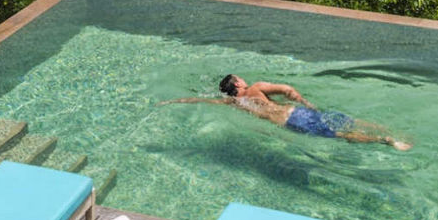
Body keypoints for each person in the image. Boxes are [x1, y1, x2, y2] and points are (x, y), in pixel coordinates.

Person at [165, 74, 411, 150]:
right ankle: (386, 135)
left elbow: (199, 100)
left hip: (292, 124)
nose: (244, 79)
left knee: (341, 134)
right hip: (298, 113)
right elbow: (287, 89)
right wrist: (305, 101)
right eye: (240, 78)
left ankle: (386, 141)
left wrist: (173, 101)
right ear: (238, 84)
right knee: (347, 124)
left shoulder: (234, 103)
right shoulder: (256, 88)